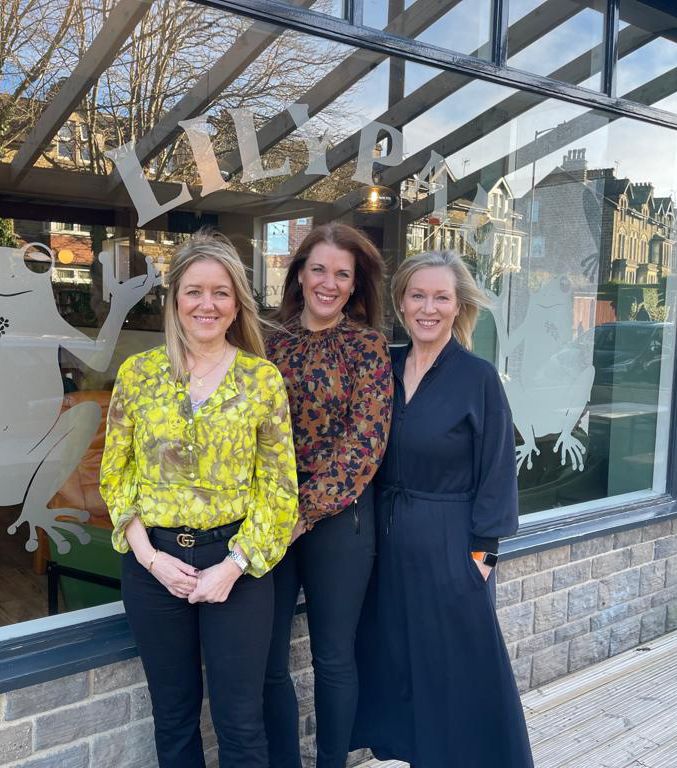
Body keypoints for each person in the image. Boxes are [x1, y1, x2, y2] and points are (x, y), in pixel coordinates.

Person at [99, 231, 298, 768]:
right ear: (174, 301)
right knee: (174, 717)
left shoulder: (262, 380)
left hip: (236, 566)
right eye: (193, 291)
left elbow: (279, 491)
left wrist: (231, 567)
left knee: (240, 722)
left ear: (237, 304)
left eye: (220, 292)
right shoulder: (138, 375)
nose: (206, 304)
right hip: (154, 566)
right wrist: (150, 558)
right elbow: (115, 476)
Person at [352, 250, 534, 767]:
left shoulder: (477, 378)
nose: (428, 308)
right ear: (401, 302)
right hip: (386, 547)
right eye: (418, 295)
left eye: (441, 297)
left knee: (458, 672)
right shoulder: (382, 366)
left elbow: (498, 471)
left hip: (453, 545)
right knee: (401, 667)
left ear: (458, 307)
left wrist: (483, 556)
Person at [263, 222, 392, 768]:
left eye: (343, 273)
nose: (329, 282)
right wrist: (277, 512)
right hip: (268, 516)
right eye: (319, 268)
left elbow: (365, 442)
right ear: (299, 273)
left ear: (355, 283)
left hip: (340, 523)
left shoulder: (367, 346)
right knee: (267, 663)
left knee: (332, 657)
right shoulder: (268, 341)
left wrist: (306, 511)